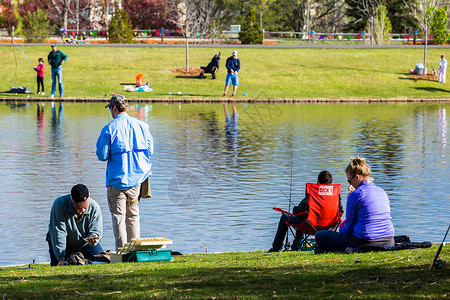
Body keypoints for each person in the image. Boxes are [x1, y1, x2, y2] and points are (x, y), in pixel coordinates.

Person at [96, 94, 154, 250]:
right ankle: (135, 251)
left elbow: (101, 155)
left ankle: (121, 252)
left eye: (111, 109)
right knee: (133, 216)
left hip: (117, 180)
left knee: (118, 217)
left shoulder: (109, 128)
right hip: (137, 180)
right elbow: (150, 150)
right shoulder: (142, 126)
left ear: (114, 108)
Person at [315, 157, 395, 252]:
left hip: (365, 241)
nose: (350, 184)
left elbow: (348, 227)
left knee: (320, 235)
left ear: (357, 177)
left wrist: (341, 231)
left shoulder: (356, 194)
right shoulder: (382, 191)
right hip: (389, 241)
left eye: (349, 181)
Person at [269, 170, 342, 252]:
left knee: (289, 217)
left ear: (318, 182)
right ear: (331, 184)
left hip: (310, 226)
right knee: (304, 217)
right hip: (328, 226)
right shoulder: (335, 196)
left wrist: (295, 209)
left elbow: (298, 211)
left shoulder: (313, 194)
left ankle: (277, 248)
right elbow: (340, 211)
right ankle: (296, 246)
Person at [47, 184, 103, 266]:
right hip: (62, 243)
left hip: (85, 243)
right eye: (78, 208)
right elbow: (59, 232)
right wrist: (60, 258)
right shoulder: (59, 204)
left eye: (84, 207)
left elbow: (96, 230)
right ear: (71, 199)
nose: (82, 210)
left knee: (100, 262)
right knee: (59, 266)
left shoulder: (95, 207)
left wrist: (94, 238)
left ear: (89, 197)